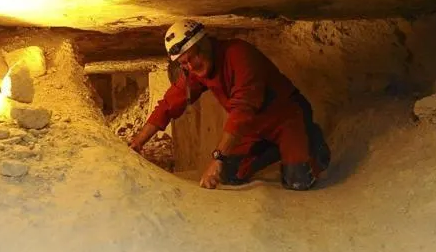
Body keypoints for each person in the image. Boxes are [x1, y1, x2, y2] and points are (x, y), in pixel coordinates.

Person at [128, 20, 331, 190]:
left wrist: (217, 157)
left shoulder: (239, 55)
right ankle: (278, 148)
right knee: (229, 174)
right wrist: (138, 142)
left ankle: (310, 140)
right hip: (254, 128)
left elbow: (243, 110)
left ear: (204, 43)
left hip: (286, 118)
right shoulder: (197, 69)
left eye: (191, 58)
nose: (190, 66)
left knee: (298, 181)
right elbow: (169, 103)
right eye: (183, 64)